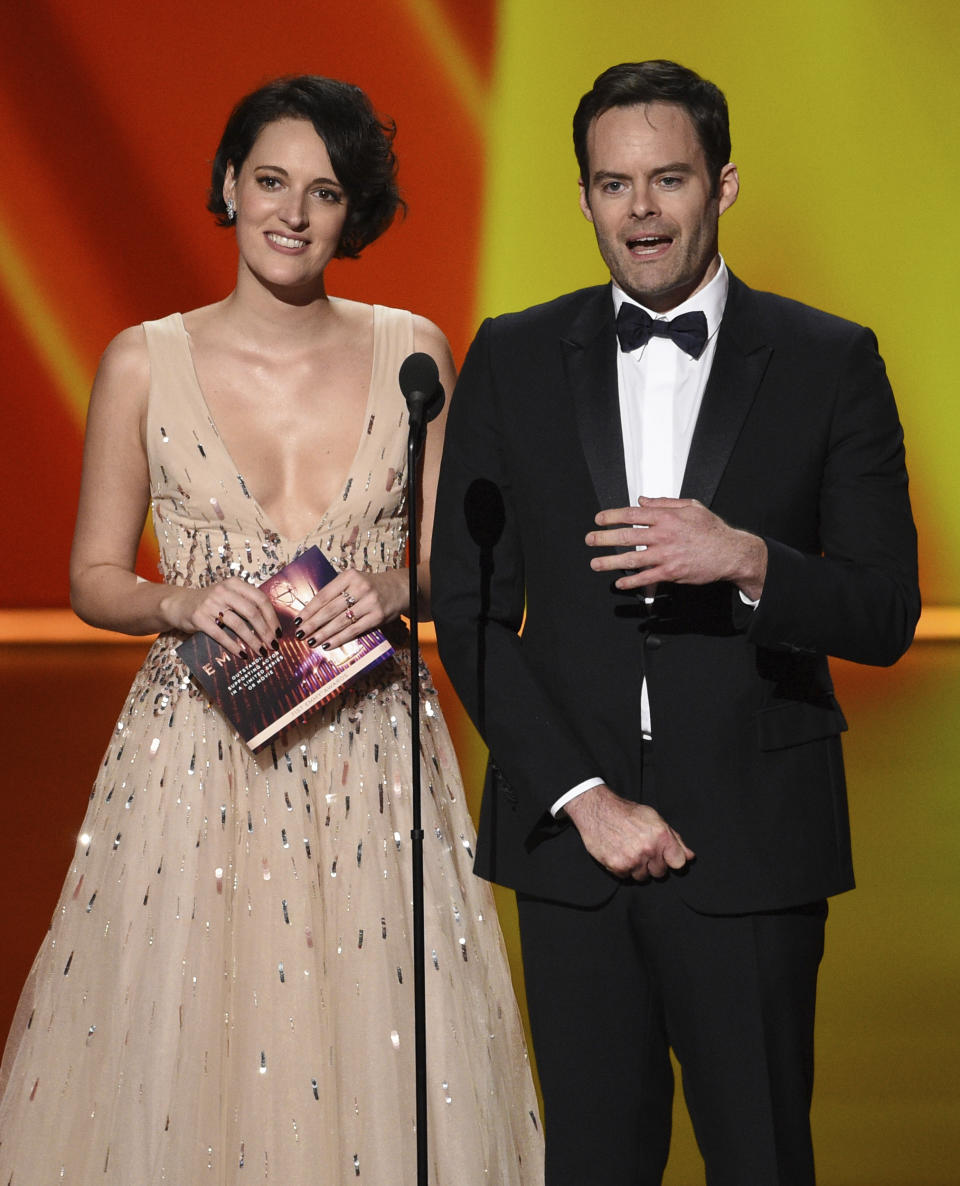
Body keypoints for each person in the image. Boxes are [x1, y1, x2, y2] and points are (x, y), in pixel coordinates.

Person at [0, 76, 542, 1185]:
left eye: (327, 192)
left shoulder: (416, 350)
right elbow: (93, 577)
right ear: (227, 187)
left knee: (375, 1041)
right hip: (195, 755)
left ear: (356, 213)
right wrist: (176, 601)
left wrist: (395, 586)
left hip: (372, 753)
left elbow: (458, 564)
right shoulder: (143, 361)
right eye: (271, 182)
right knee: (187, 1045)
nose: (294, 213)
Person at [430, 59, 919, 1186]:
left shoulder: (828, 359)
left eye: (668, 180)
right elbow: (468, 610)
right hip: (572, 847)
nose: (640, 211)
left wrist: (749, 559)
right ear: (587, 196)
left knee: (761, 1158)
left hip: (752, 841)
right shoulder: (510, 353)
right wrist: (582, 799)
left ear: (724, 184)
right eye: (612, 184)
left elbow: (886, 611)